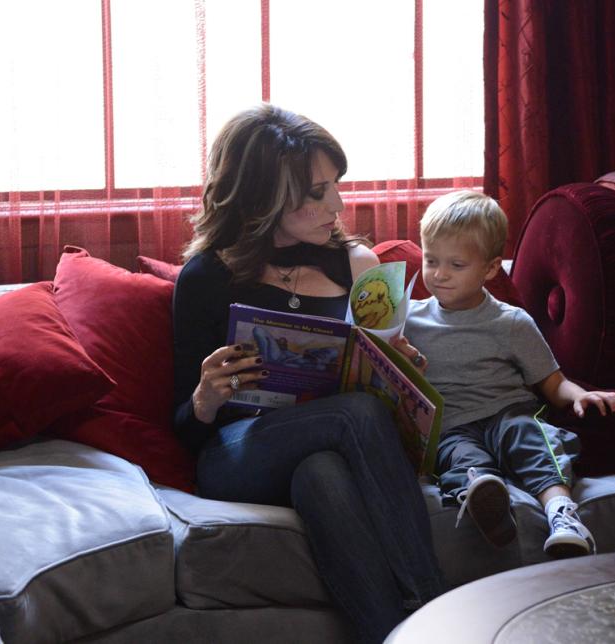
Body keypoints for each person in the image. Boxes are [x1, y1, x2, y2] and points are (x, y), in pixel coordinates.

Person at [171, 103, 444, 644]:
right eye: (318, 192)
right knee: (352, 414)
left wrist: (399, 369)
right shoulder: (205, 278)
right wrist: (204, 397)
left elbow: (384, 393)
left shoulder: (356, 264)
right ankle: (440, 615)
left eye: (335, 185)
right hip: (237, 453)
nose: (337, 205)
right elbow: (183, 427)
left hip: (330, 449)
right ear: (263, 197)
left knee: (320, 474)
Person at [401, 190, 615, 559]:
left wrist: (580, 395)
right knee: (457, 457)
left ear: (490, 269)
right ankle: (486, 499)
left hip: (507, 412)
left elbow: (552, 382)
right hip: (452, 424)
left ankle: (563, 516)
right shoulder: (409, 319)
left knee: (528, 436)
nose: (439, 274)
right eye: (431, 260)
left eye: (456, 265)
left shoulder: (512, 322)